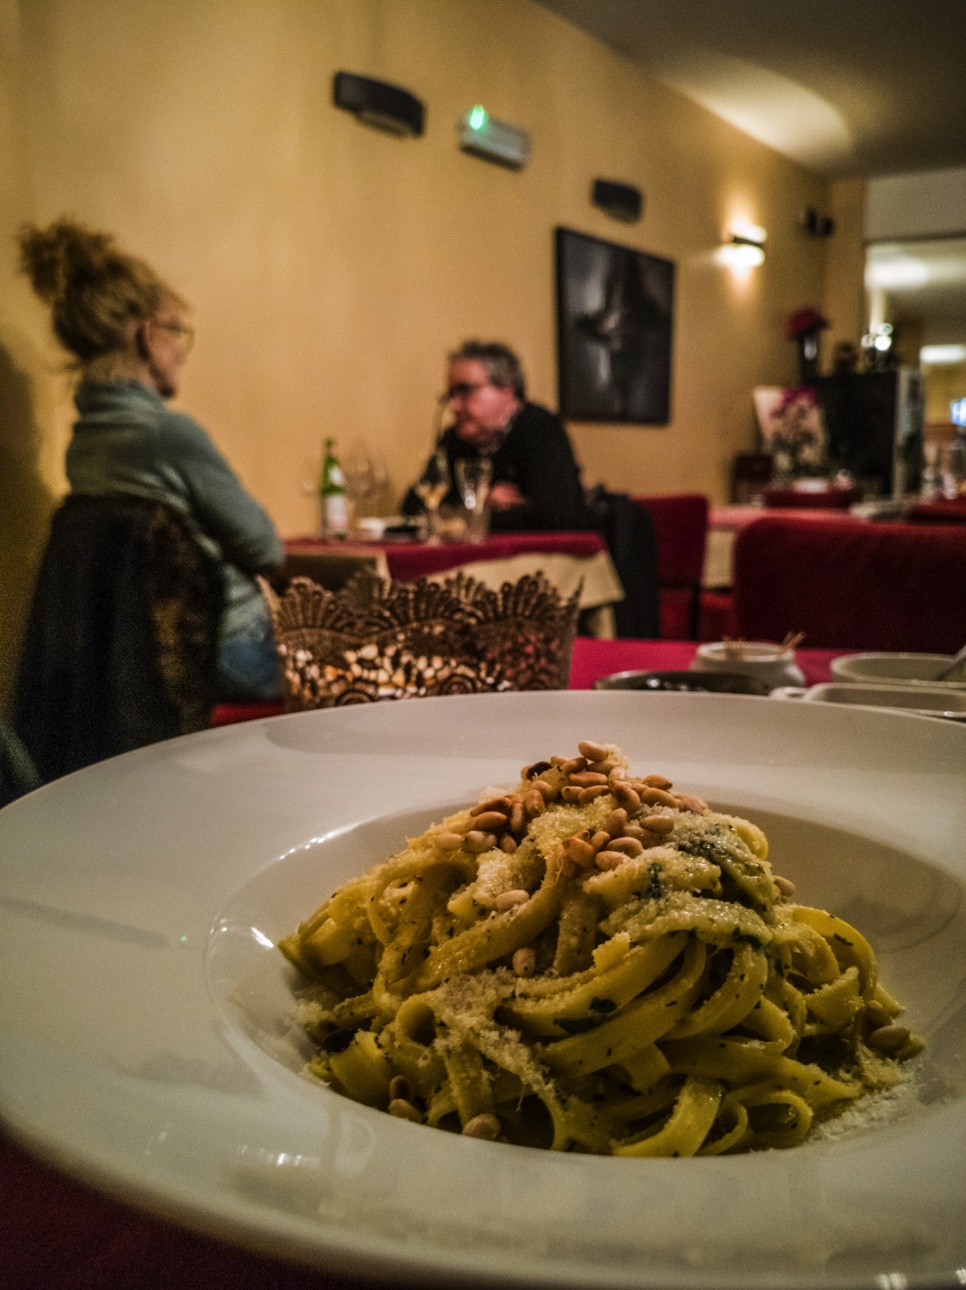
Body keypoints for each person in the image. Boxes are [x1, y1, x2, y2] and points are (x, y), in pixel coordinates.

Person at [17, 218, 284, 701]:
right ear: (147, 336)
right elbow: (266, 548)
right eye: (177, 331)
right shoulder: (168, 436)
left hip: (144, 657)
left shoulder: (83, 447)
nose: (183, 351)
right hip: (229, 650)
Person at [404, 341, 588, 531]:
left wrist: (463, 516)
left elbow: (554, 515)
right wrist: (481, 504)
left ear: (506, 389)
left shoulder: (540, 428)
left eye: (465, 391)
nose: (455, 406)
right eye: (451, 395)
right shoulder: (454, 439)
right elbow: (412, 508)